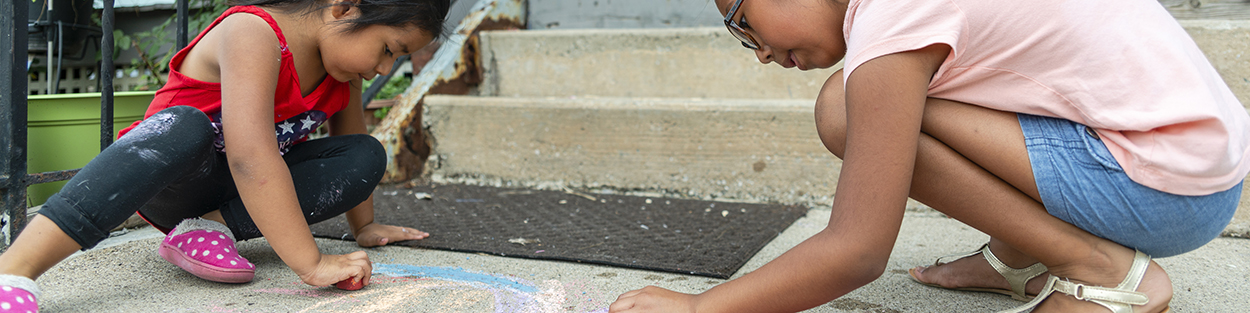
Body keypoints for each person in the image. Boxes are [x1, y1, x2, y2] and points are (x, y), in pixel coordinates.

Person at [610, 0, 1248, 312]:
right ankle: (1020, 255)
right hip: (1197, 173)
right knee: (882, 96)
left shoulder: (892, 20)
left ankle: (1099, 268)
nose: (757, 52)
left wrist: (701, 309)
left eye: (742, 21)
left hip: (1161, 188)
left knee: (846, 109)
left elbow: (858, 250)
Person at [0, 0, 451, 309]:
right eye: (389, 49)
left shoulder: (341, 74)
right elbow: (250, 156)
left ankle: (208, 229)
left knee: (365, 154)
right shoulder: (254, 31)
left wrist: (365, 226)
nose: (384, 68)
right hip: (170, 177)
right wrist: (310, 263)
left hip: (234, 193)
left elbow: (348, 141)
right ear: (344, 7)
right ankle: (14, 270)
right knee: (186, 125)